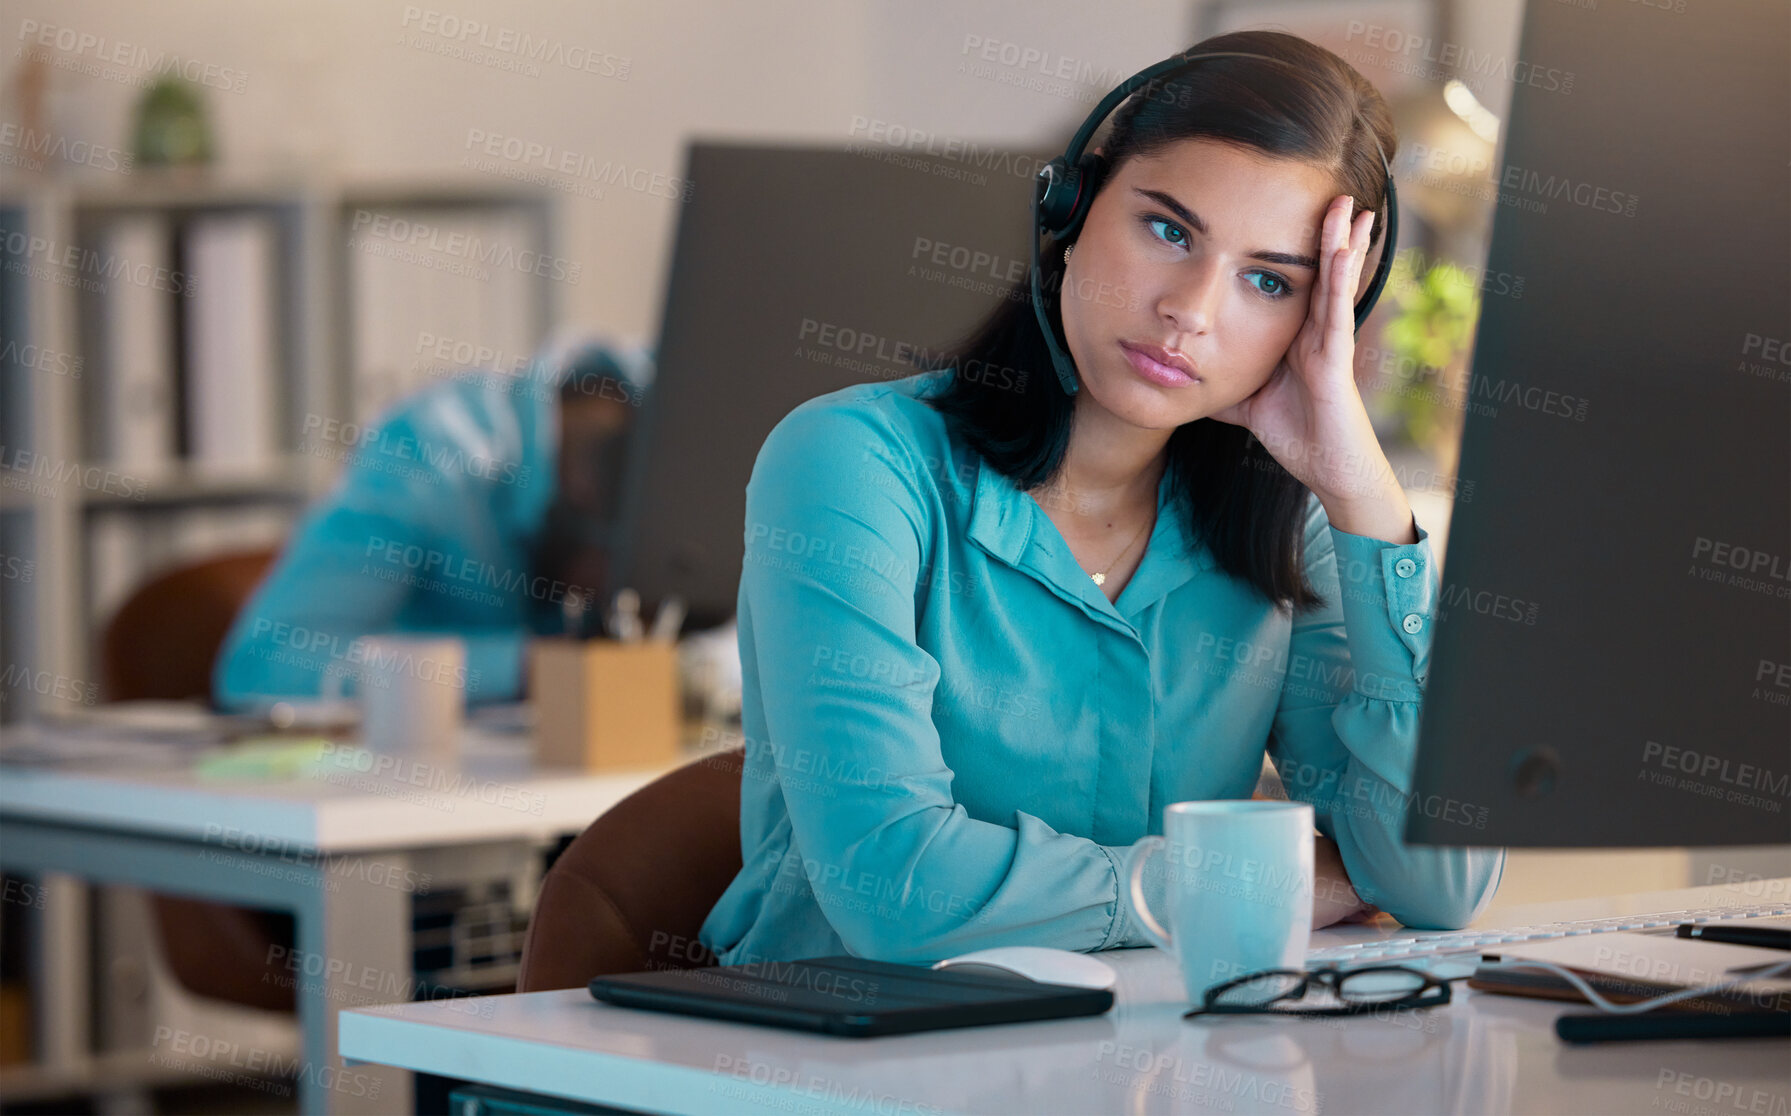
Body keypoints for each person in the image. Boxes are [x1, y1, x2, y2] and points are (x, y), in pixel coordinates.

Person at [698, 30, 1506, 967]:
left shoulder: (1296, 519)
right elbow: (896, 890)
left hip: (1135, 1062)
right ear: (1070, 210)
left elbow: (1437, 888)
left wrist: (1365, 492)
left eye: (1266, 281)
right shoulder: (852, 463)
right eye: (1168, 230)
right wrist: (1261, 882)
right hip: (825, 1069)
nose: (1192, 311)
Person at [211, 333, 652, 709]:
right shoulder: (430, 454)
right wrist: (531, 668)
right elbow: (263, 665)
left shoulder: (684, 403)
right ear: (582, 497)